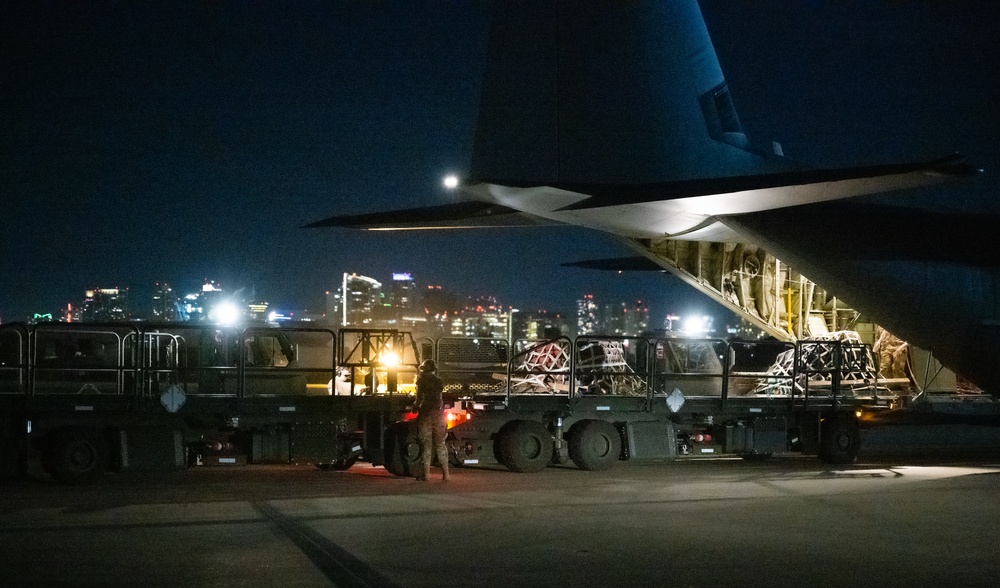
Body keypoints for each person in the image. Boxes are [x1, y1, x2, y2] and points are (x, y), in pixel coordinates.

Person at [414, 359, 449, 481]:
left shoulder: (422, 381)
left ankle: (426, 475)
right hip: (439, 415)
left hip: (426, 415)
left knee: (427, 445)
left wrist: (415, 407)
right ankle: (446, 474)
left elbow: (419, 399)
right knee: (440, 444)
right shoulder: (439, 381)